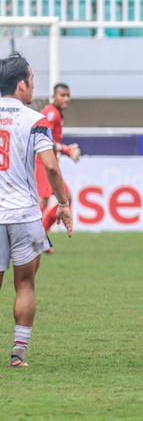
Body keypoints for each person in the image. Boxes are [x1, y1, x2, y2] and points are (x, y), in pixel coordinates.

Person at [0, 52, 73, 367]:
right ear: (21, 85)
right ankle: (18, 353)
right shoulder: (34, 120)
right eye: (32, 81)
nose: (33, 87)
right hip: (25, 215)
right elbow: (51, 167)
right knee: (25, 284)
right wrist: (64, 203)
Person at [36, 83, 80, 237]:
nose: (66, 98)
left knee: (44, 200)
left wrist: (65, 149)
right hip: (43, 161)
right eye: (62, 95)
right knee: (64, 197)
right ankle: (38, 236)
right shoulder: (51, 114)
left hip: (47, 160)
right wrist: (67, 150)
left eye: (68, 95)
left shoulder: (56, 113)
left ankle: (39, 237)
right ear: (54, 96)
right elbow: (43, 139)